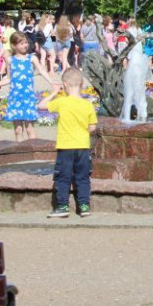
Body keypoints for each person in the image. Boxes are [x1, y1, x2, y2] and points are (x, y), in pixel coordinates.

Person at [39, 68, 97, 218]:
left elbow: (41, 106)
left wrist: (54, 92)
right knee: (83, 177)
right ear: (81, 84)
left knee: (63, 177)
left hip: (65, 147)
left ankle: (63, 206)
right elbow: (92, 127)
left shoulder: (62, 102)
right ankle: (84, 206)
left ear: (64, 84)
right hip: (83, 146)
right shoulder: (87, 104)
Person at [0, 31, 57, 142]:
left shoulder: (31, 58)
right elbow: (9, 78)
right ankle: (20, 154)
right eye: (21, 43)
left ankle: (34, 152)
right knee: (18, 130)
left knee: (30, 129)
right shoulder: (10, 60)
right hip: (15, 98)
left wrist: (52, 82)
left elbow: (42, 71)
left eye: (26, 43)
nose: (25, 45)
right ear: (14, 45)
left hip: (28, 98)